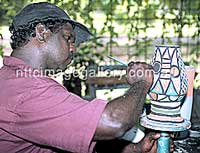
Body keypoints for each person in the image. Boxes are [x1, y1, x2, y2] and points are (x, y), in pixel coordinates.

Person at [0, 2, 173, 153]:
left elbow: (68, 138)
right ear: (41, 32)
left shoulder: (12, 80)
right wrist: (141, 83)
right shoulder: (26, 90)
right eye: (68, 39)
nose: (73, 48)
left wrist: (135, 149)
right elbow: (113, 122)